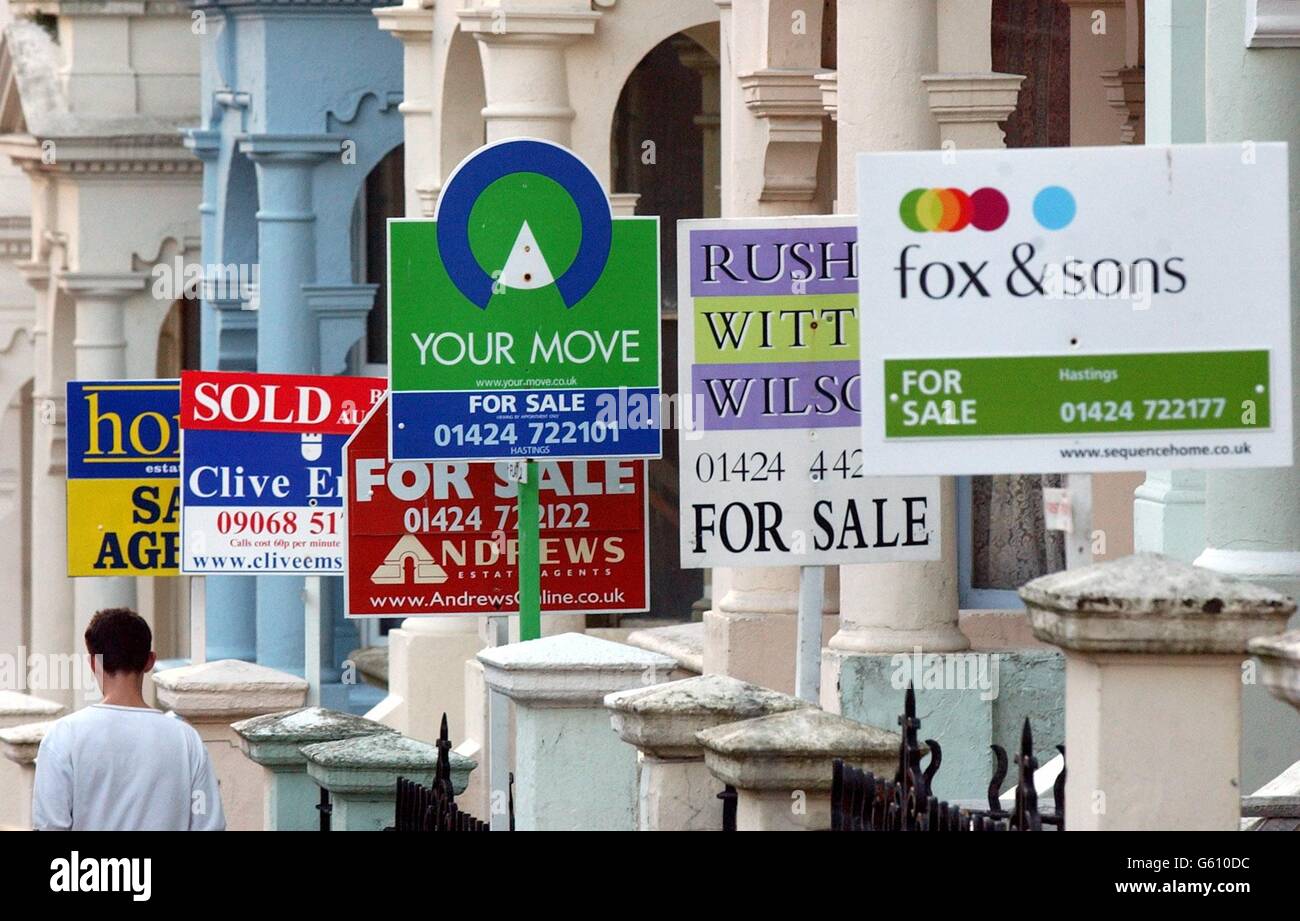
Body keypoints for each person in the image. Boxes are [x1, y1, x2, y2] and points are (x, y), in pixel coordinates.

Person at [32, 607, 226, 831]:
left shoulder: (63, 735)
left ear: (94, 663)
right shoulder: (186, 739)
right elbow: (209, 825)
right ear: (150, 661)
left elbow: (49, 825)